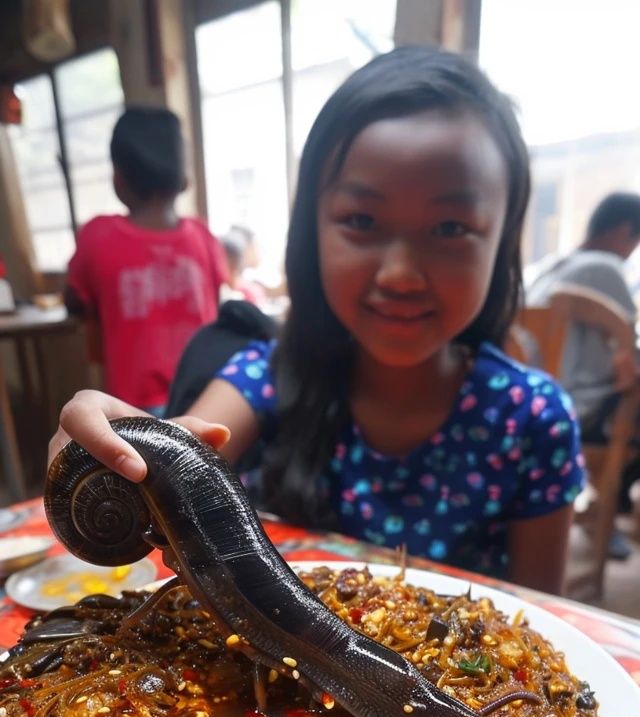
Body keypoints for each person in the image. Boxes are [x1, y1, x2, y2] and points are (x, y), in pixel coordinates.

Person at [50, 46, 585, 594]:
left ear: (502, 241)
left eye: (450, 228)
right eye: (361, 220)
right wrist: (103, 454)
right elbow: (185, 449)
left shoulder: (535, 421)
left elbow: (545, 615)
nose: (401, 274)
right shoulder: (267, 374)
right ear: (312, 232)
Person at [64, 106, 228, 414]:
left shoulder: (96, 237)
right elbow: (216, 310)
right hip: (206, 399)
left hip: (131, 407)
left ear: (119, 177)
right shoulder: (203, 237)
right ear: (183, 177)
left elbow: (75, 300)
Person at [527, 193, 640, 557]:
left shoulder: (549, 266)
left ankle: (603, 517)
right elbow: (630, 355)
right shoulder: (605, 268)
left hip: (533, 406)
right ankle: (610, 515)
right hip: (580, 411)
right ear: (625, 231)